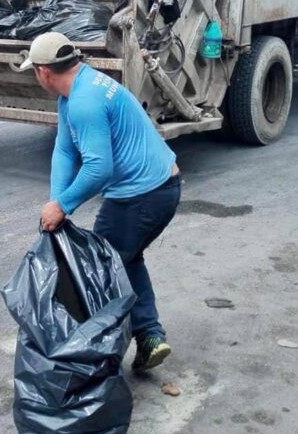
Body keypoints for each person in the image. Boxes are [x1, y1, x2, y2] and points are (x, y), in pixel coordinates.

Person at [19, 32, 181, 371]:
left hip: (145, 195)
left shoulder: (84, 102)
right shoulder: (76, 92)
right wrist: (56, 202)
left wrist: (64, 206)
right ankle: (149, 336)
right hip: (157, 187)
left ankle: (97, 356)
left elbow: (98, 167)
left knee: (102, 269)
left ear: (44, 72)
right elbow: (65, 150)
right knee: (124, 258)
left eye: (34, 71)